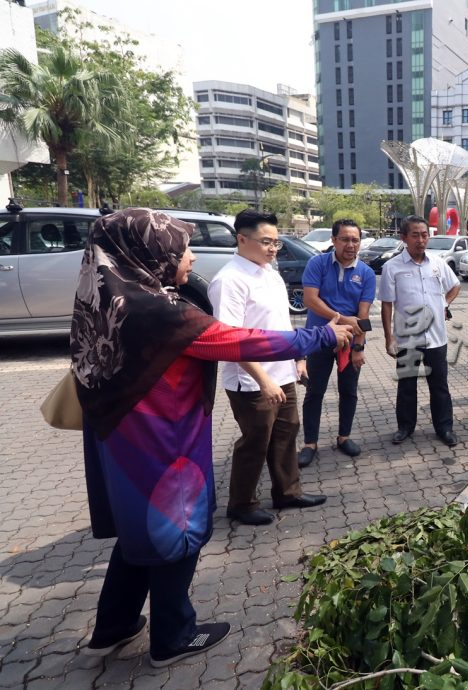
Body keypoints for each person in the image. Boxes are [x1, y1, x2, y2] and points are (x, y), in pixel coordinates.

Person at [73, 209, 352, 668]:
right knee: (175, 534)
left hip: (119, 443)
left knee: (138, 534)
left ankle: (114, 626)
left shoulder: (106, 300)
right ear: (150, 254)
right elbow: (238, 341)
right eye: (182, 249)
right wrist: (320, 336)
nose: (191, 256)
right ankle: (173, 637)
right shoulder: (157, 312)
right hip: (163, 442)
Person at [208, 209, 326, 526]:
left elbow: (282, 324)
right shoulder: (229, 281)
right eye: (266, 242)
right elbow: (230, 340)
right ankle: (242, 503)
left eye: (275, 242)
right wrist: (263, 380)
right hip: (251, 381)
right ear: (241, 239)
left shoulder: (270, 273)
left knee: (287, 433)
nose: (273, 249)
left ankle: (288, 492)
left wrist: (298, 358)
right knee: (256, 440)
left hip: (282, 373)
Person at [379, 215, 461, 447]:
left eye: (424, 234)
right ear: (404, 238)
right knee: (407, 385)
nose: (420, 240)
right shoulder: (392, 267)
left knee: (439, 387)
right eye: (415, 235)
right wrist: (388, 337)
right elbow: (387, 303)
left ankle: (444, 428)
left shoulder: (437, 263)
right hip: (407, 339)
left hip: (436, 337)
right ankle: (405, 427)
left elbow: (455, 285)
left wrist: (444, 304)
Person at [299, 219, 376, 465]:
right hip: (319, 339)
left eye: (355, 240)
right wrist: (343, 318)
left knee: (349, 392)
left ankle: (344, 437)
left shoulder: (366, 273)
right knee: (314, 392)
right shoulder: (317, 264)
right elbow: (311, 301)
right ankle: (310, 442)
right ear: (333, 240)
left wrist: (358, 347)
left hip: (348, 343)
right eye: (345, 239)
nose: (350, 245)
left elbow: (363, 316)